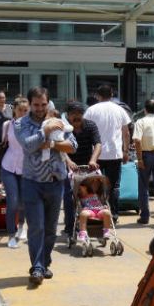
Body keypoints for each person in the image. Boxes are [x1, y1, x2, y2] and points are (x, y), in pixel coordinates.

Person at [16, 87, 77, 286]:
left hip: (56, 181)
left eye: (43, 104)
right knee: (37, 227)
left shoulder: (59, 121)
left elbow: (72, 146)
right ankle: (37, 267)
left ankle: (44, 262)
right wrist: (46, 131)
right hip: (32, 182)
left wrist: (51, 144)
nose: (40, 108)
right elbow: (28, 145)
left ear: (48, 102)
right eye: (36, 105)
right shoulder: (21, 123)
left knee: (51, 229)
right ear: (30, 103)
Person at [83, 84, 131, 223]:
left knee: (94, 185)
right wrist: (126, 150)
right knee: (114, 186)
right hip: (114, 154)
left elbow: (85, 129)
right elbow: (126, 132)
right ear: (112, 94)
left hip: (95, 155)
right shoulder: (120, 110)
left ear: (97, 96)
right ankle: (114, 215)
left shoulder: (91, 110)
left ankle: (95, 213)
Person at [62, 101, 102, 239]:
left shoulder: (90, 125)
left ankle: (91, 225)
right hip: (69, 167)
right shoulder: (64, 128)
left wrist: (93, 160)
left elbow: (97, 144)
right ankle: (69, 228)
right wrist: (68, 162)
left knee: (90, 196)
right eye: (73, 114)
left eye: (79, 114)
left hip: (87, 167)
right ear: (68, 115)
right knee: (69, 198)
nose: (77, 117)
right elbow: (59, 148)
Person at [0, 97, 29, 248]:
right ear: (14, 111)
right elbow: (3, 143)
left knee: (23, 202)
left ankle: (22, 226)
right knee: (12, 202)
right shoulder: (7, 125)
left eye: (26, 110)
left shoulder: (32, 126)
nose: (23, 113)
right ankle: (11, 234)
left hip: (26, 168)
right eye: (20, 110)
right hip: (8, 166)